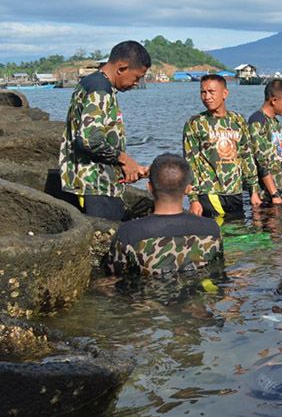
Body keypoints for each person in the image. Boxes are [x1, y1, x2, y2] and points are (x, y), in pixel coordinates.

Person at [58, 40, 150, 221]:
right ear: (122, 67)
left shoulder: (91, 83)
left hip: (89, 182)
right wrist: (125, 160)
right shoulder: (100, 90)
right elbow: (89, 140)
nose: (136, 83)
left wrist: (124, 168)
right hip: (94, 187)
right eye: (137, 77)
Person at [105, 153, 222, 276]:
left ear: (149, 187)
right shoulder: (211, 229)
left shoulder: (128, 234)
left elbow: (114, 278)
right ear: (188, 189)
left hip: (149, 294)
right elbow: (218, 273)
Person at [183, 74, 261, 219]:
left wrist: (254, 191)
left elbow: (246, 156)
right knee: (220, 234)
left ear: (225, 93)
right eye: (203, 92)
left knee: (239, 234)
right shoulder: (195, 123)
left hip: (235, 192)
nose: (207, 97)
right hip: (209, 193)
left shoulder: (238, 120)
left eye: (211, 92)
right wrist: (193, 199)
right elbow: (190, 163)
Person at [248, 78, 282, 204]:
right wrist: (274, 194)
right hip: (268, 195)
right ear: (274, 100)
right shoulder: (257, 121)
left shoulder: (275, 123)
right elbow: (261, 161)